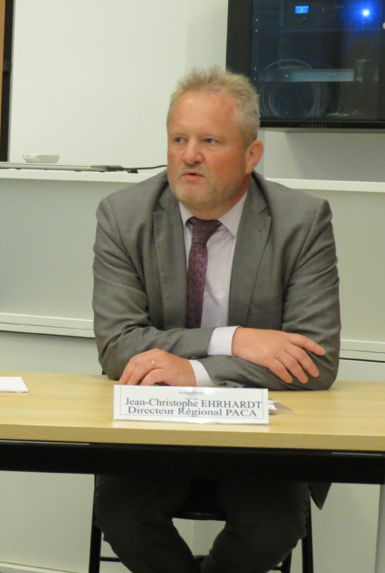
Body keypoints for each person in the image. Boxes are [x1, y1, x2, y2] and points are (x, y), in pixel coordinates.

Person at [91, 67, 340, 573]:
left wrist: (196, 372)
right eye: (178, 139)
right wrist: (235, 339)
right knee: (121, 513)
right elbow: (119, 345)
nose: (189, 155)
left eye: (209, 140)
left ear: (252, 155)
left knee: (273, 526)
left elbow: (315, 360)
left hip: (260, 435)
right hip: (154, 427)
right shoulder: (124, 215)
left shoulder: (301, 221)